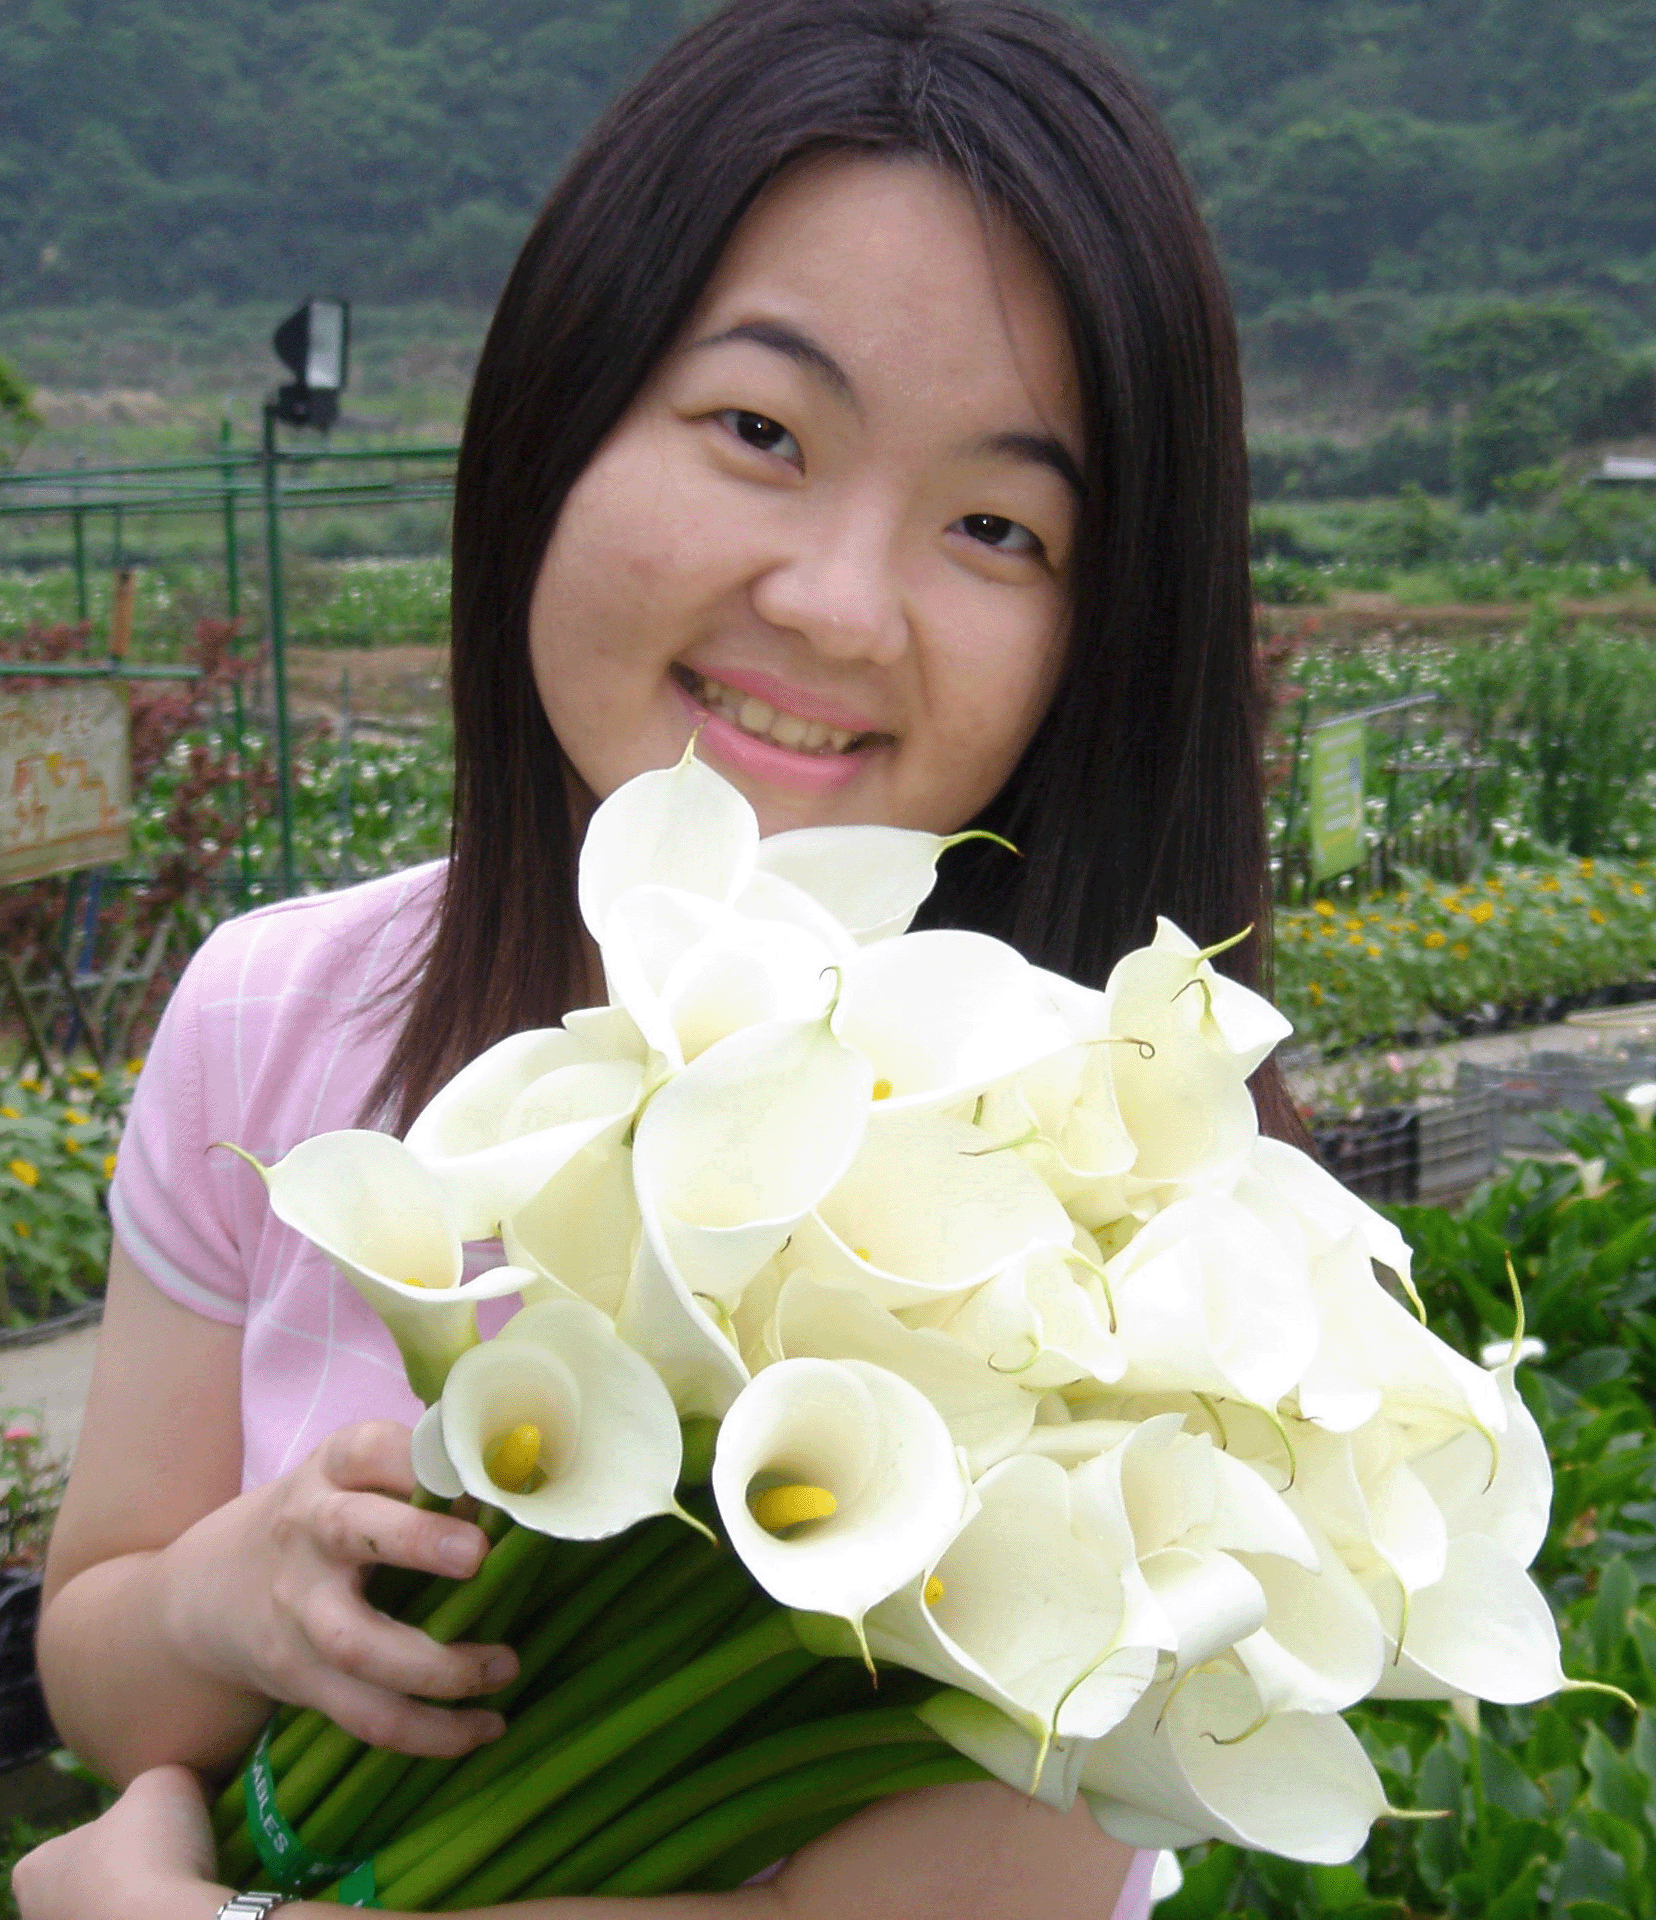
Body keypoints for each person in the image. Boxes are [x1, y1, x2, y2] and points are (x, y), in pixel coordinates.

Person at [20, 2, 1289, 1914]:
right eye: (760, 431)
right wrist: (224, 1602)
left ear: (1106, 629)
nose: (839, 605)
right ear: (559, 412)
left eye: (996, 525)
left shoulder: (1133, 1256)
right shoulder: (275, 1017)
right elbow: (104, 1667)